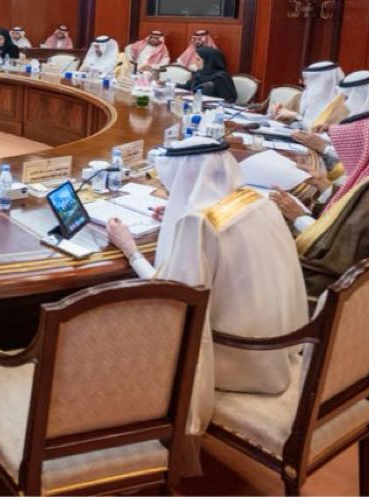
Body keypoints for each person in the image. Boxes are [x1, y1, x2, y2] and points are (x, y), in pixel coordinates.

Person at [105, 138, 308, 470]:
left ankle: (124, 452)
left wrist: (131, 250)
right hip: (280, 343)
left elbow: (169, 299)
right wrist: (180, 210)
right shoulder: (258, 201)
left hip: (239, 360)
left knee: (116, 332)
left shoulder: (200, 224)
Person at [269, 109, 369, 297]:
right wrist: (324, 185)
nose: (345, 156)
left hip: (328, 290)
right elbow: (352, 218)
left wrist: (299, 217)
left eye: (356, 145)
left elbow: (338, 254)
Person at [271, 61, 345, 129]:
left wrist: (296, 116)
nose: (304, 83)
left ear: (324, 81)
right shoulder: (300, 97)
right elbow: (281, 119)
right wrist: (277, 111)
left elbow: (320, 131)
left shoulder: (343, 105)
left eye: (308, 79)